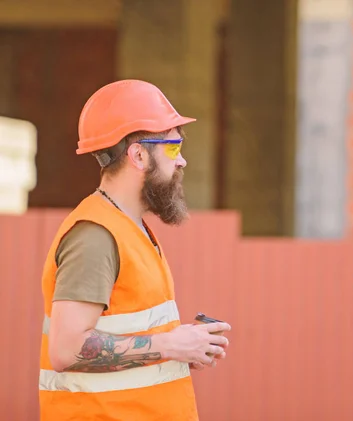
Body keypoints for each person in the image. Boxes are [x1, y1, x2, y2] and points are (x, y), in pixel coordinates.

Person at [38, 79, 231, 421]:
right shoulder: (95, 235)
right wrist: (170, 345)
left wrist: (182, 346)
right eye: (173, 147)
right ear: (139, 155)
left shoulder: (130, 227)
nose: (182, 160)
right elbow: (66, 350)